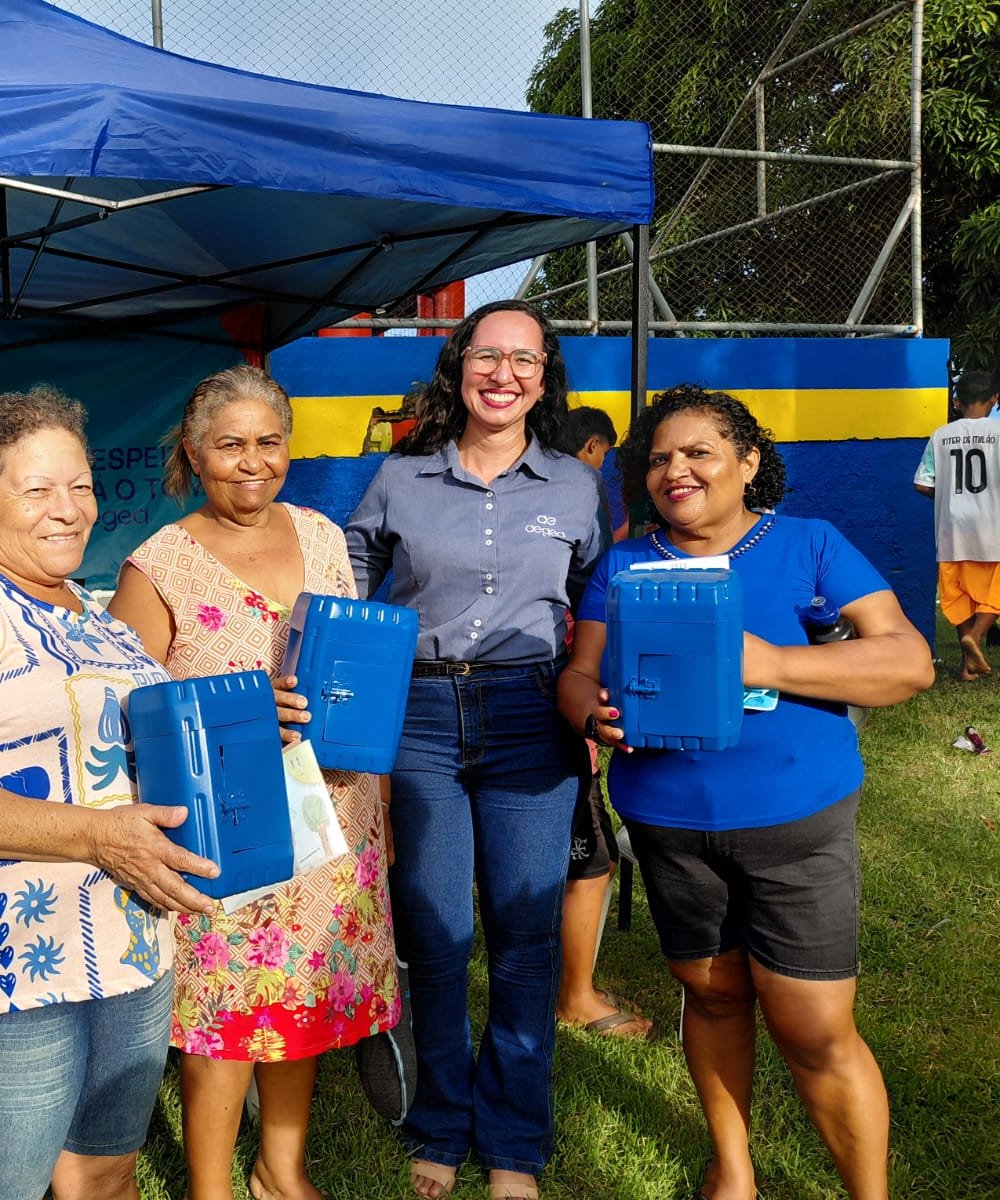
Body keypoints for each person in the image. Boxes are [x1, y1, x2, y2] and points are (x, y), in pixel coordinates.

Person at [560, 384, 932, 1200]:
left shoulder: (809, 544)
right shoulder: (626, 562)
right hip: (669, 826)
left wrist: (770, 663)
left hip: (794, 823)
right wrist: (594, 713)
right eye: (659, 458)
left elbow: (908, 663)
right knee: (713, 996)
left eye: (698, 452)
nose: (676, 470)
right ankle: (732, 1170)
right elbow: (580, 673)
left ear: (748, 462)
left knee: (815, 1030)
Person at [0, 387, 220, 1200]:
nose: (70, 510)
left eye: (82, 486)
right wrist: (96, 837)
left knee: (103, 1176)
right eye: (39, 490)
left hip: (130, 953)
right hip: (1, 971)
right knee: (1, 1190)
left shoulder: (98, 616)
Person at [110, 365, 399, 1200]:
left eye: (267, 443)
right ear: (195, 455)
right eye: (229, 445)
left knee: (300, 993)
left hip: (334, 808)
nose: (251, 462)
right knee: (226, 1014)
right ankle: (210, 1188)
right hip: (225, 824)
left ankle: (280, 1170)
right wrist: (234, 708)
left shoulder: (320, 535)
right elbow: (126, 708)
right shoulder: (158, 563)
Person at [345, 299, 607, 1200]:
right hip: (416, 715)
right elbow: (351, 563)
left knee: (524, 934)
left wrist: (584, 689)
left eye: (523, 361)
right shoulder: (401, 476)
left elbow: (591, 594)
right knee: (438, 931)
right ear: (459, 369)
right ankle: (442, 1123)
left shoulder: (575, 486)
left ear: (545, 377)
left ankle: (515, 1142)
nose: (504, 374)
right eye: (486, 356)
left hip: (529, 715)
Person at [549, 406, 654, 1039]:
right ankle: (575, 996)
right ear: (594, 447)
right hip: (560, 697)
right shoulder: (580, 484)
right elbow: (592, 582)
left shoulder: (522, 479)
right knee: (590, 861)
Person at [913, 368, 1000, 679]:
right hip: (993, 525)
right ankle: (974, 638)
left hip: (952, 527)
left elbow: (922, 484)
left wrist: (949, 493)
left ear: (956, 402)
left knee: (959, 593)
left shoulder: (941, 435)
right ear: (994, 399)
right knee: (994, 589)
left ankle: (968, 666)